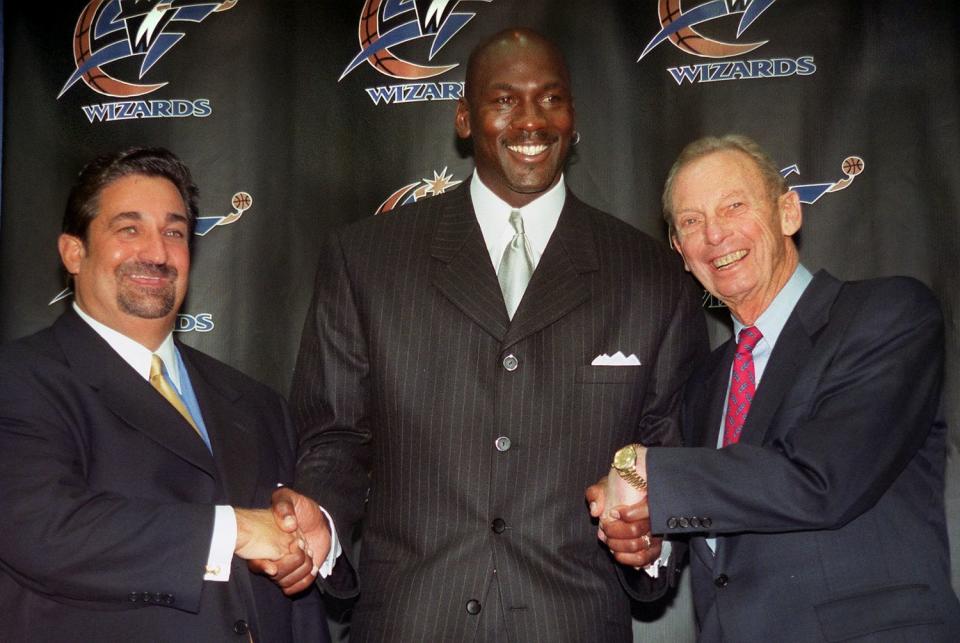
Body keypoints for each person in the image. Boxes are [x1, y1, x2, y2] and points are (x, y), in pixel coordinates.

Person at [268, 27, 707, 642]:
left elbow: (669, 450)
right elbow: (337, 433)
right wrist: (322, 514)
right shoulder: (367, 258)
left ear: (574, 116)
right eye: (505, 100)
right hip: (412, 621)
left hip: (572, 623)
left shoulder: (651, 274)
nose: (532, 121)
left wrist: (654, 536)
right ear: (465, 118)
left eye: (551, 99)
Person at [588, 134, 960, 641]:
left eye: (734, 206)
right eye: (692, 222)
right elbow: (706, 534)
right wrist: (650, 546)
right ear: (680, 250)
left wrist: (646, 468)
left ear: (788, 212)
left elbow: (822, 480)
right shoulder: (703, 383)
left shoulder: (887, 315)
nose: (715, 234)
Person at [0, 148, 328, 642]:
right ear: (73, 252)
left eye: (174, 232)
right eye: (129, 229)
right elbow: (42, 529)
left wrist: (307, 543)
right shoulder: (20, 380)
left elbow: (297, 602)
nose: (156, 252)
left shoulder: (255, 401)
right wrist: (233, 529)